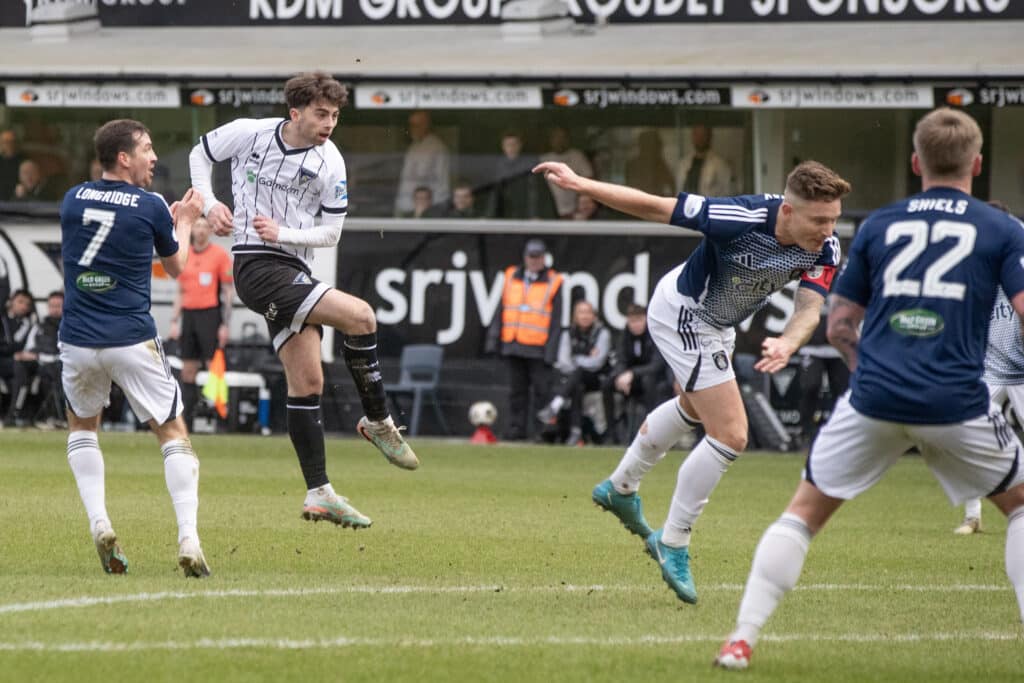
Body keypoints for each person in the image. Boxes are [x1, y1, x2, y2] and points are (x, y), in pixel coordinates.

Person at [714, 108, 1024, 671]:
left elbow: (838, 325)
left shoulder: (879, 225)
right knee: (1020, 507)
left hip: (875, 396)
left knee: (802, 515)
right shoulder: (1003, 229)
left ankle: (741, 640)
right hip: (956, 399)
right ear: (977, 164)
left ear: (916, 164)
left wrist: (870, 372)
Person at [534, 157, 849, 606]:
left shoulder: (824, 248)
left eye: (834, 219)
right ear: (787, 211)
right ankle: (674, 540)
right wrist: (580, 183)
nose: (828, 230)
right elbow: (654, 206)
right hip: (685, 314)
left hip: (718, 324)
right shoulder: (739, 217)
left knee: (693, 405)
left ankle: (620, 487)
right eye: (819, 220)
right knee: (731, 434)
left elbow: (808, 309)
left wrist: (788, 342)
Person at [189, 71, 418, 531]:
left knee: (308, 381)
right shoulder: (250, 133)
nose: (329, 122)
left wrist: (285, 233)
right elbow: (200, 153)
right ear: (295, 113)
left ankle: (319, 493)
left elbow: (332, 232)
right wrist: (210, 204)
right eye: (321, 113)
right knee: (362, 317)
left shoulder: (331, 161)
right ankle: (378, 420)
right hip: (256, 266)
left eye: (335, 115)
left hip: (294, 267)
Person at [60, 118, 209, 577]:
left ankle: (100, 523)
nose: (154, 157)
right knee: (173, 433)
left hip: (78, 339)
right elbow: (177, 265)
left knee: (82, 427)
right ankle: (189, 539)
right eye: (146, 149)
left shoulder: (73, 198)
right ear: (124, 158)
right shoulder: (150, 205)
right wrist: (185, 220)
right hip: (129, 336)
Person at [957, 199, 1024, 536]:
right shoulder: (971, 268)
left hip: (1022, 371)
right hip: (987, 371)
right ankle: (972, 516)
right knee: (968, 437)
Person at [485, 238, 564, 441]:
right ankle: (516, 430)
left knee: (541, 392)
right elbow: (501, 310)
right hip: (514, 343)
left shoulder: (554, 281)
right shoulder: (511, 276)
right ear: (525, 257)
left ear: (544, 258)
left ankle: (541, 432)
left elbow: (556, 322)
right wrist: (494, 339)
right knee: (516, 392)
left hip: (538, 347)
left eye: (538, 257)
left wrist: (551, 352)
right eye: (531, 256)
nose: (534, 261)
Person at [168, 216, 233, 431]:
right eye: (197, 226)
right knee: (188, 369)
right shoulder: (184, 254)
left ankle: (219, 418)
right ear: (192, 230)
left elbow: (228, 291)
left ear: (210, 231)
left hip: (210, 315)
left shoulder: (219, 255)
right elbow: (180, 291)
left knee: (213, 366)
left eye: (205, 226)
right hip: (189, 315)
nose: (201, 230)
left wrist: (225, 324)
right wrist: (174, 321)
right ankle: (187, 420)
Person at [537, 299, 612, 446]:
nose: (585, 316)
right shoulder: (568, 333)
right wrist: (585, 357)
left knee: (578, 374)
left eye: (588, 312)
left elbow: (597, 362)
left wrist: (576, 359)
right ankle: (575, 432)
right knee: (577, 385)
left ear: (594, 316)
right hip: (574, 379)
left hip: (596, 377)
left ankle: (555, 405)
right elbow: (564, 361)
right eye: (581, 312)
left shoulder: (602, 333)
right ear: (575, 316)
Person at [603, 303, 671, 442]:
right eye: (632, 321)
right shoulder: (624, 335)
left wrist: (633, 373)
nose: (636, 325)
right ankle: (611, 432)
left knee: (649, 382)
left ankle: (651, 431)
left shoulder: (655, 335)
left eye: (639, 320)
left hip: (652, 379)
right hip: (630, 379)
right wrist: (621, 375)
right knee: (607, 384)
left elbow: (657, 365)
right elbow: (620, 359)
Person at [6, 290, 62, 427]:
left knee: (51, 373)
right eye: (52, 306)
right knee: (20, 366)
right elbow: (29, 347)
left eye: (58, 306)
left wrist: (39, 356)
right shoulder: (39, 325)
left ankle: (53, 416)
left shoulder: (69, 327)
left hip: (58, 364)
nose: (55, 309)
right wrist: (25, 355)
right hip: (38, 363)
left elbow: (68, 353)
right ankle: (15, 413)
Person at [795, 309, 849, 447]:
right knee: (810, 386)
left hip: (839, 348)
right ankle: (806, 431)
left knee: (843, 392)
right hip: (811, 346)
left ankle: (840, 432)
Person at [485, 130, 557, 219]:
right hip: (506, 214)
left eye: (514, 144)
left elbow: (534, 193)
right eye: (508, 145)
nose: (511, 148)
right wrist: (488, 217)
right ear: (503, 147)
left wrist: (534, 215)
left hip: (526, 214)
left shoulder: (530, 165)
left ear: (520, 145)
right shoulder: (499, 167)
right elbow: (494, 195)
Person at [395, 110, 450, 217]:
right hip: (406, 203)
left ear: (426, 125)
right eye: (410, 125)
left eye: (415, 125)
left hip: (425, 207)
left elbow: (423, 175)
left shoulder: (435, 146)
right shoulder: (415, 145)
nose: (411, 128)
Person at [540, 126, 593, 219]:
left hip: (575, 211)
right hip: (549, 212)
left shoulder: (577, 156)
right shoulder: (543, 159)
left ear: (568, 139)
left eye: (562, 137)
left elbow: (588, 179)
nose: (559, 140)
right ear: (550, 140)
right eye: (556, 137)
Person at [1, 289, 36, 420]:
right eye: (20, 302)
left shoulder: (28, 324)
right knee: (19, 368)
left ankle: (15, 413)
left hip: (16, 362)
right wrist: (15, 354)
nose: (23, 306)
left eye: (27, 304)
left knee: (23, 370)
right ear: (11, 301)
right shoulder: (2, 319)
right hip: (4, 360)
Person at [677, 124, 734, 197]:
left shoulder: (720, 164)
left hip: (709, 203)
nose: (699, 139)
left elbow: (727, 191)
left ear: (709, 137)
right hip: (686, 203)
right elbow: (679, 189)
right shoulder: (684, 163)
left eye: (703, 135)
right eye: (696, 135)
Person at [624, 129, 674, 197]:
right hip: (636, 199)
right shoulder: (632, 165)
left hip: (656, 200)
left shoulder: (661, 165)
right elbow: (629, 188)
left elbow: (671, 186)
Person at [0, 129, 24, 201]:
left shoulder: (24, 161)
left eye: (12, 141)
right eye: (6, 142)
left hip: (18, 200)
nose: (9, 145)